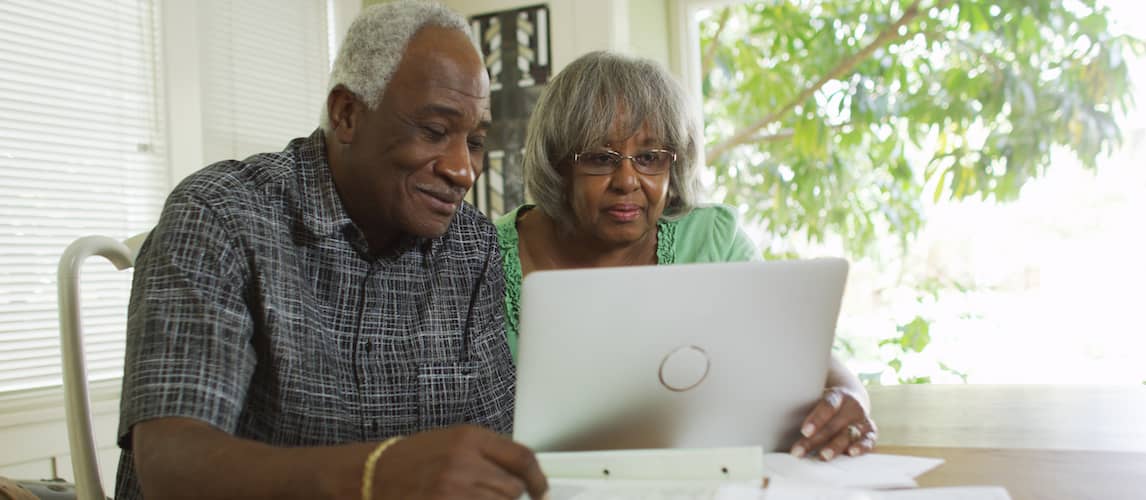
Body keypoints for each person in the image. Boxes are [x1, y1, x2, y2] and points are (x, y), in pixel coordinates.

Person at [115, 2, 547, 499]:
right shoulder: (220, 217)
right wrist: (378, 474)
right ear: (346, 114)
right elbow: (172, 465)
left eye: (474, 141)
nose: (463, 171)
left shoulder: (471, 245)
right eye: (434, 131)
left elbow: (498, 438)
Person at [496, 51, 878, 461]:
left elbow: (794, 350)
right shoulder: (483, 256)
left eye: (649, 158)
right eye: (600, 158)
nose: (627, 181)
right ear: (558, 165)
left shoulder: (713, 240)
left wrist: (850, 395)